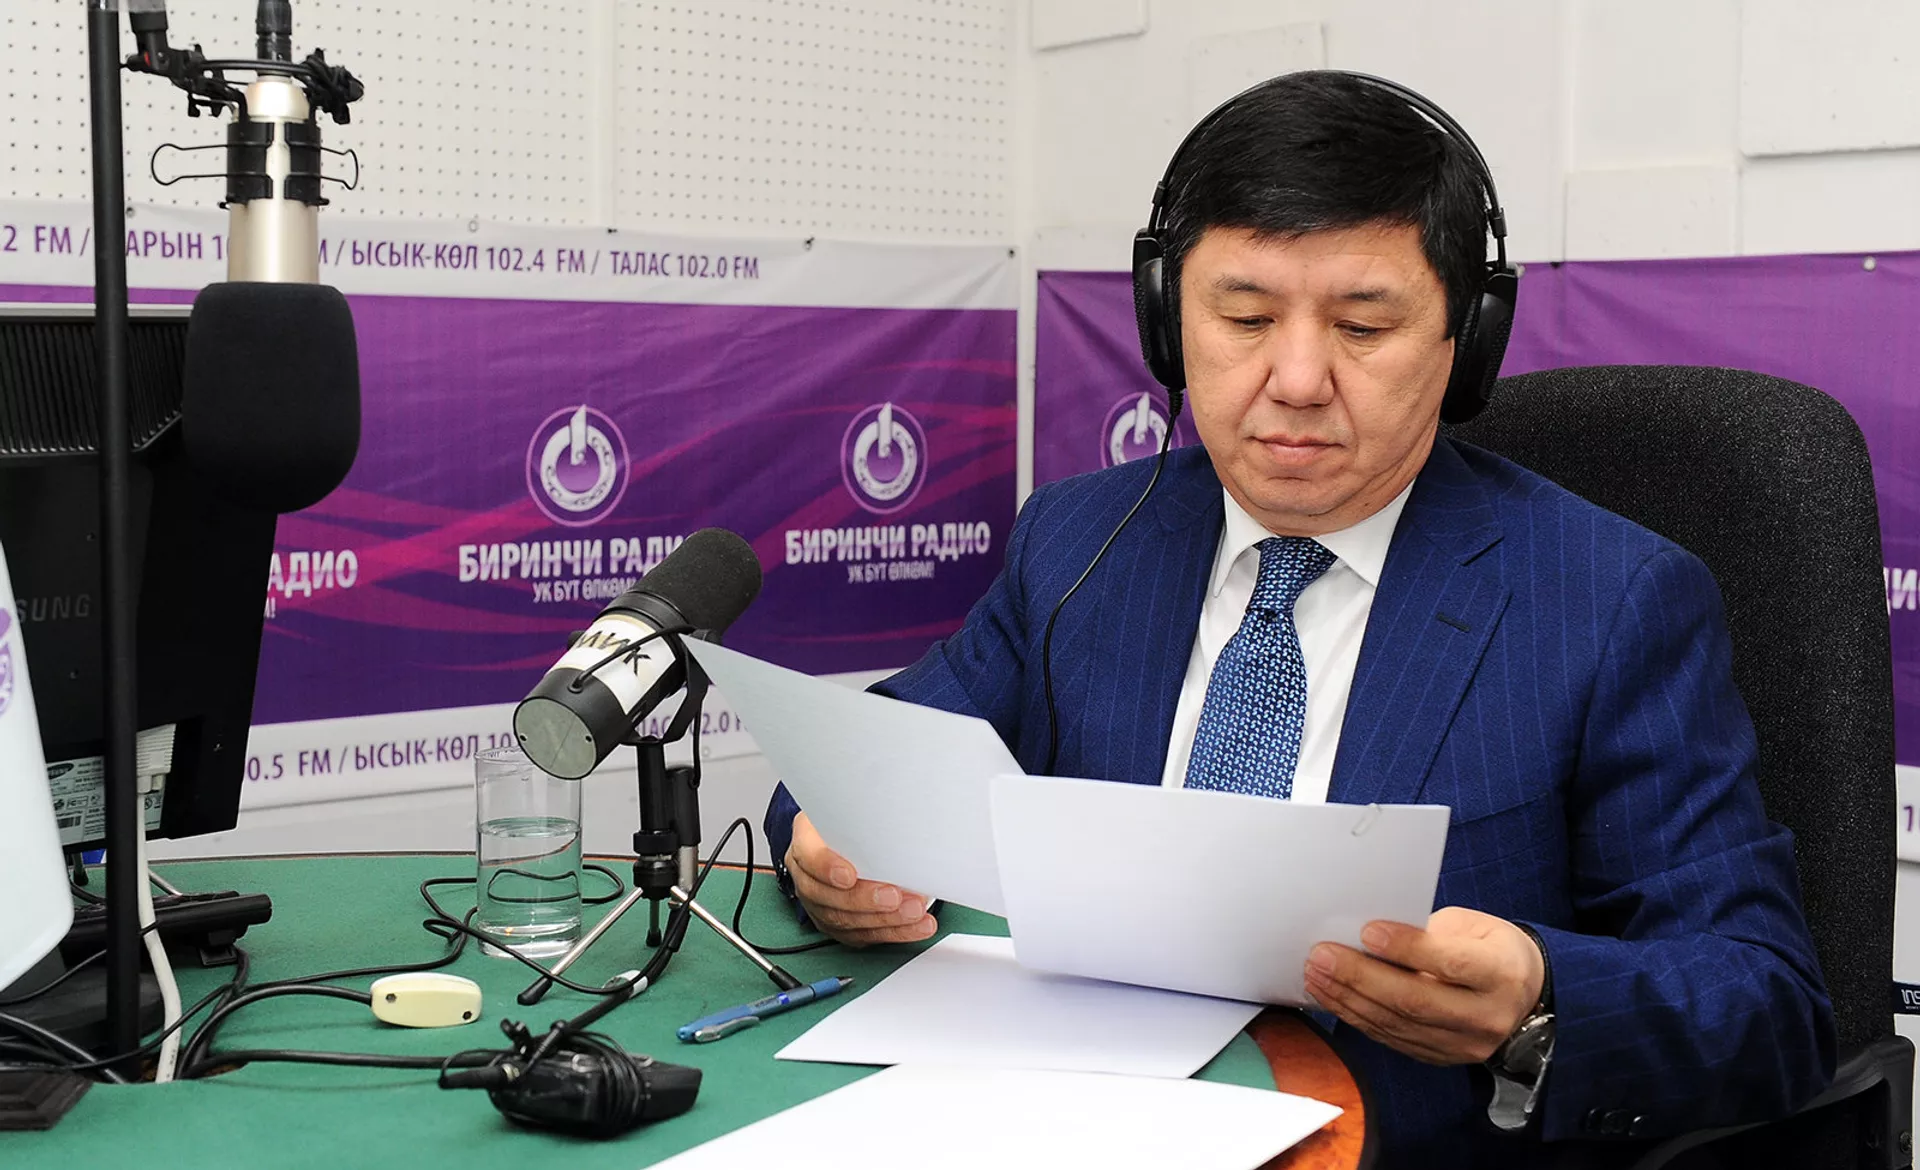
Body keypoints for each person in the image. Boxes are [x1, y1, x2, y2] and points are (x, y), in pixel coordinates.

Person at [765, 71, 1834, 1166]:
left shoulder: (1610, 600)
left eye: (1363, 326)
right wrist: (831, 850)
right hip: (1062, 1118)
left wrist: (1539, 1001)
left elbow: (1767, 1003)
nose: (1297, 379)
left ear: (1466, 339)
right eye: (1244, 319)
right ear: (1166, 323)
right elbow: (869, 765)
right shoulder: (1080, 540)